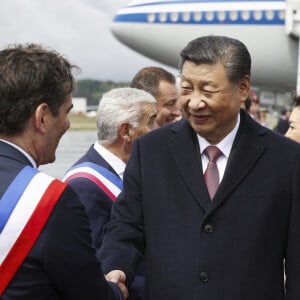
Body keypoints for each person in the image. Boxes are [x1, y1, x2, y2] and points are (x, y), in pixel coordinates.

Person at [100, 35, 300, 299]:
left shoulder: (285, 158)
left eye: (207, 91)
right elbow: (126, 226)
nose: (194, 102)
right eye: (186, 88)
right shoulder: (150, 151)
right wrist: (116, 266)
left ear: (242, 88)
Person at [0, 44, 128, 300]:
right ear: (43, 117)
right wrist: (116, 290)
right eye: (66, 112)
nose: (68, 124)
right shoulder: (50, 201)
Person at [63, 87, 157, 300]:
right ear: (126, 131)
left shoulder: (134, 171)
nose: (158, 129)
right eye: (151, 121)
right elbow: (94, 266)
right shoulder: (84, 185)